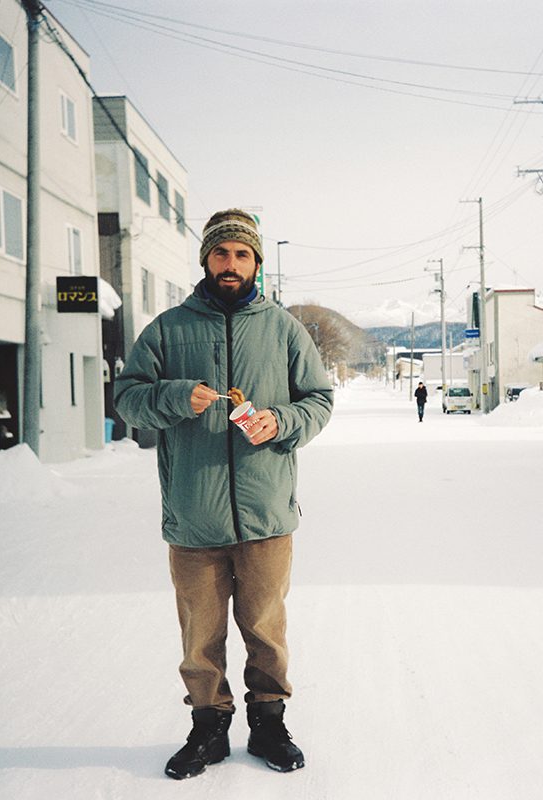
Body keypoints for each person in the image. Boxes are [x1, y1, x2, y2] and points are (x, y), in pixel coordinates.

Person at [114, 209, 334, 780]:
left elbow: (319, 400)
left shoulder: (283, 328)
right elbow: (128, 399)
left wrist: (280, 421)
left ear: (256, 262)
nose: (230, 264)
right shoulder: (166, 328)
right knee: (200, 635)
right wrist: (174, 396)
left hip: (266, 515)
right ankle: (208, 729)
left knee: (265, 628)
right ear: (206, 261)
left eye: (241, 254)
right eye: (220, 253)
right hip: (194, 517)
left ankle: (268, 723)